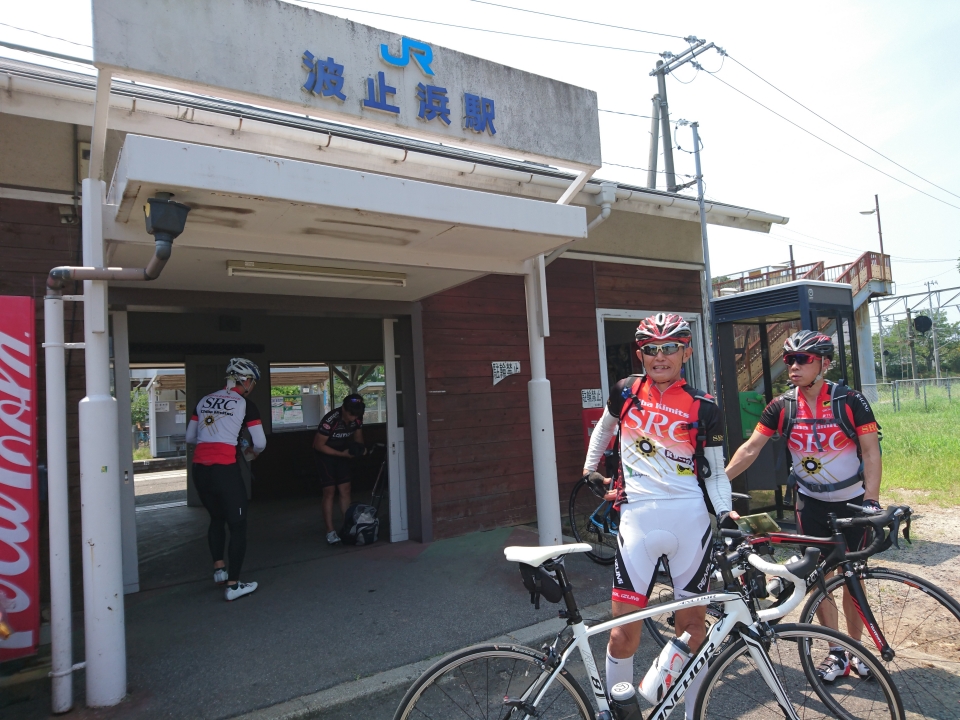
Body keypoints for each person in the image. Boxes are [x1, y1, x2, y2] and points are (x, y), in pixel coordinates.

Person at [582, 313, 734, 718]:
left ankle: (689, 715)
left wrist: (727, 515)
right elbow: (604, 427)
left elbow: (717, 473)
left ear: (685, 350)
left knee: (693, 632)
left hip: (691, 522)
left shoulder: (704, 407)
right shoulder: (626, 391)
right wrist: (589, 468)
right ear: (641, 354)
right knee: (621, 636)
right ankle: (621, 709)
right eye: (652, 349)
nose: (661, 356)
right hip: (637, 522)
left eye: (670, 347)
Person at [724, 329, 882, 681]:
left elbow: (871, 451)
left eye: (802, 359)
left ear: (824, 363)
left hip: (852, 503)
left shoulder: (850, 401)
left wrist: (871, 500)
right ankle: (836, 652)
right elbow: (751, 449)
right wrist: (717, 484)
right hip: (810, 503)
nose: (793, 366)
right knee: (821, 580)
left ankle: (854, 651)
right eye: (789, 359)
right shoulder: (782, 405)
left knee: (851, 578)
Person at [185, 357, 266, 601]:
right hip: (225, 471)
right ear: (247, 380)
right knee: (238, 525)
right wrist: (253, 452)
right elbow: (260, 442)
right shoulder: (245, 404)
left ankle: (219, 568)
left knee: (216, 518)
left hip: (200, 469)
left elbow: (190, 437)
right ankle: (233, 585)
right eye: (254, 382)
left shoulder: (204, 400)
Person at [313, 393, 367, 544]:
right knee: (329, 491)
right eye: (350, 415)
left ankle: (348, 526)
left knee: (346, 489)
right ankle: (330, 531)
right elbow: (319, 445)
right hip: (325, 454)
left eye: (356, 416)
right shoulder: (331, 420)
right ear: (343, 409)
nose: (353, 419)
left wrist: (360, 449)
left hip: (342, 453)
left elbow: (358, 438)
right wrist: (341, 454)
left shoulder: (357, 417)